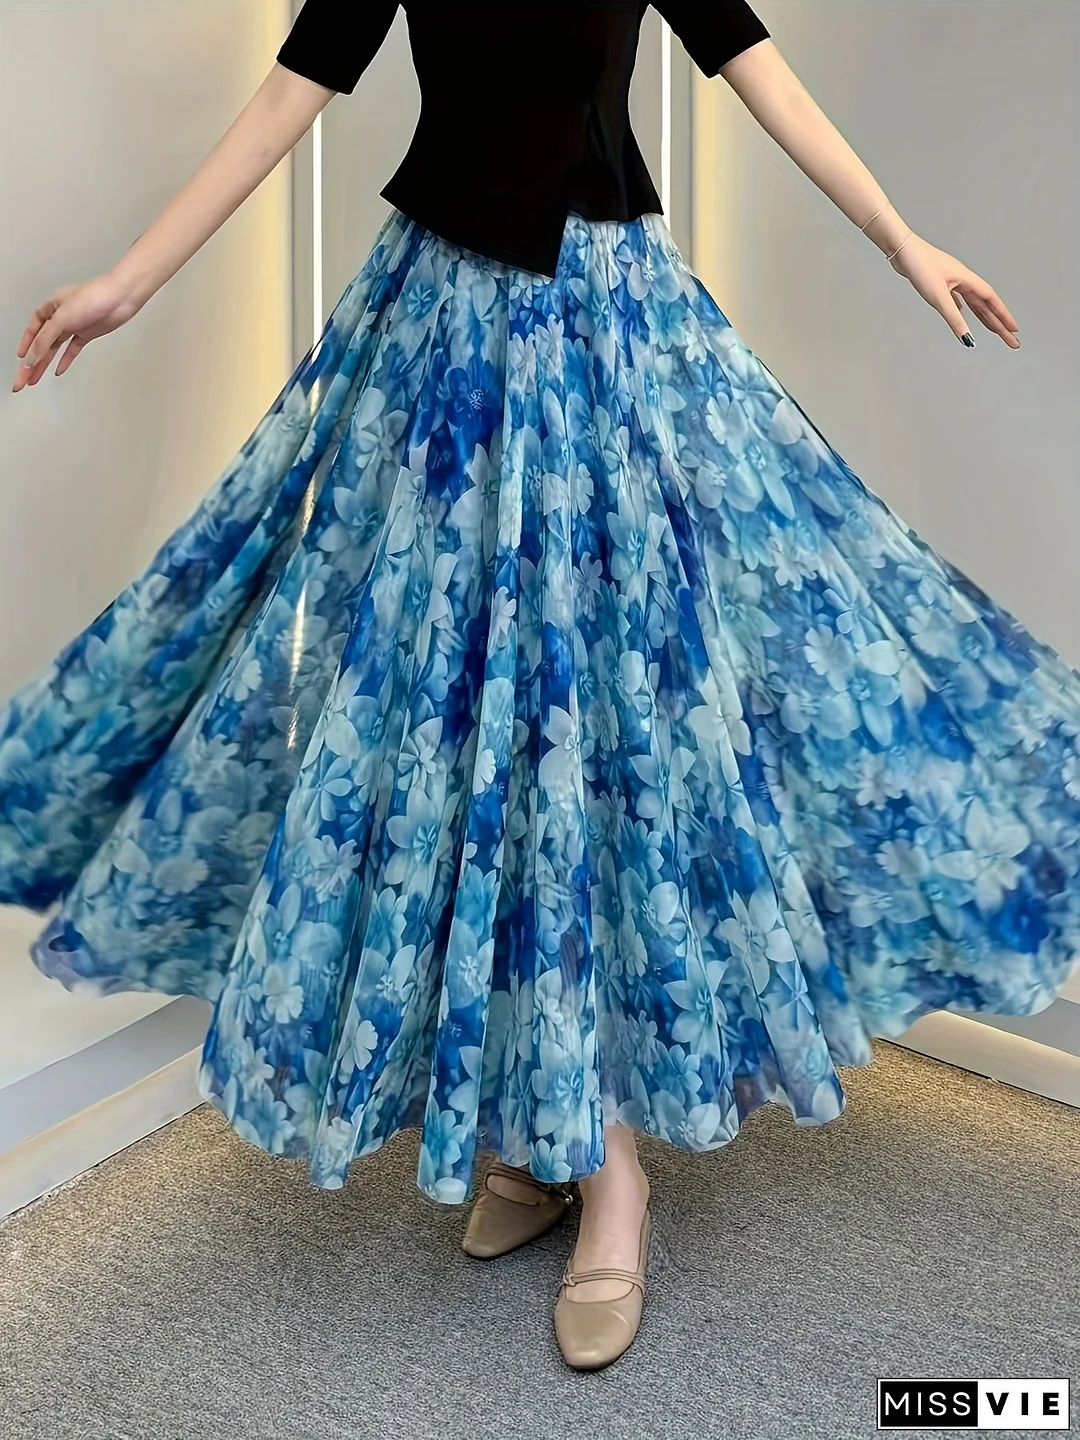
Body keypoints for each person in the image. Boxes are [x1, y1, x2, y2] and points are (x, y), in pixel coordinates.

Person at [3, 0, 1078, 1375]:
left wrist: (902, 242)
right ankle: (538, 1123)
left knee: (596, 728)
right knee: (466, 730)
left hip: (609, 343)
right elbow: (288, 96)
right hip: (444, 344)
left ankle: (609, 1165)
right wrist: (129, 283)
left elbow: (762, 77)